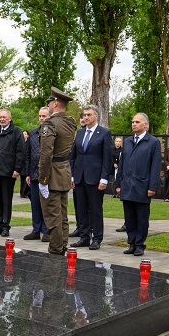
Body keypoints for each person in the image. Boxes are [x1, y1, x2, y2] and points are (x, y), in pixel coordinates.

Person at [115, 113, 161, 257]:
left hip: (142, 185)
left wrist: (152, 186)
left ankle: (140, 244)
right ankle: (132, 243)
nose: (134, 124)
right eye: (133, 122)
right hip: (127, 185)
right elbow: (122, 164)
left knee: (141, 217)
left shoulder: (153, 142)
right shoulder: (128, 141)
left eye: (137, 122)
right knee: (129, 217)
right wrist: (118, 183)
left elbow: (155, 166)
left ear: (145, 125)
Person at [37, 87, 76, 254]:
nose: (48, 106)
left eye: (49, 103)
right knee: (62, 214)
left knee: (52, 215)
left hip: (52, 174)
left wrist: (43, 179)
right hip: (64, 171)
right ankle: (63, 245)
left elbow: (46, 154)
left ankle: (56, 249)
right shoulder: (70, 122)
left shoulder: (50, 123)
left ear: (55, 103)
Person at [69, 104, 112, 250]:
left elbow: (107, 158)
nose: (86, 117)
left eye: (89, 115)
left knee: (95, 210)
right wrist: (72, 176)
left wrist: (104, 178)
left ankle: (97, 238)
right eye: (84, 115)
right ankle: (84, 237)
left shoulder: (104, 133)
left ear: (96, 116)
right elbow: (73, 156)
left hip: (95, 178)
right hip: (79, 177)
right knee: (81, 209)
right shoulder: (80, 133)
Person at [0, 109, 26, 236]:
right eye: (0, 117)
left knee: (6, 200)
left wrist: (17, 169)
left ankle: (6, 226)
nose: (2, 119)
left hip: (8, 172)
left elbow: (20, 151)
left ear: (10, 118)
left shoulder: (16, 132)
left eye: (4, 117)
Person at [23, 106, 51, 242]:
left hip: (48, 175)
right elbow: (28, 155)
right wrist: (28, 173)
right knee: (35, 203)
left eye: (44, 116)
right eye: (40, 116)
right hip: (34, 174)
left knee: (46, 203)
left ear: (49, 117)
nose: (41, 118)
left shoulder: (52, 132)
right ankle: (36, 230)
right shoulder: (33, 133)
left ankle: (46, 230)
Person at [20, 130, 31, 199]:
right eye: (23, 134)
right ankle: (22, 192)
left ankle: (25, 192)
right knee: (22, 179)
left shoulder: (28, 143)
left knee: (26, 179)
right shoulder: (20, 143)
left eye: (25, 134)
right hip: (22, 164)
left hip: (26, 164)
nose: (24, 135)